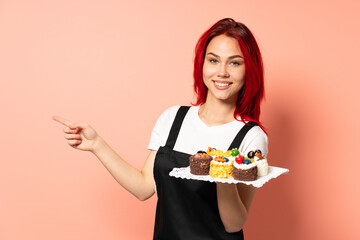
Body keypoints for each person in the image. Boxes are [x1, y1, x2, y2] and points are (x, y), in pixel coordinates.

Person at [53, 18, 268, 240]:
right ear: (202, 64)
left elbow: (234, 224)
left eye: (234, 63)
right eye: (213, 60)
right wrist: (97, 145)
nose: (222, 72)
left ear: (248, 69)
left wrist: (223, 179)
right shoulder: (173, 118)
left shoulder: (251, 137)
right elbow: (144, 188)